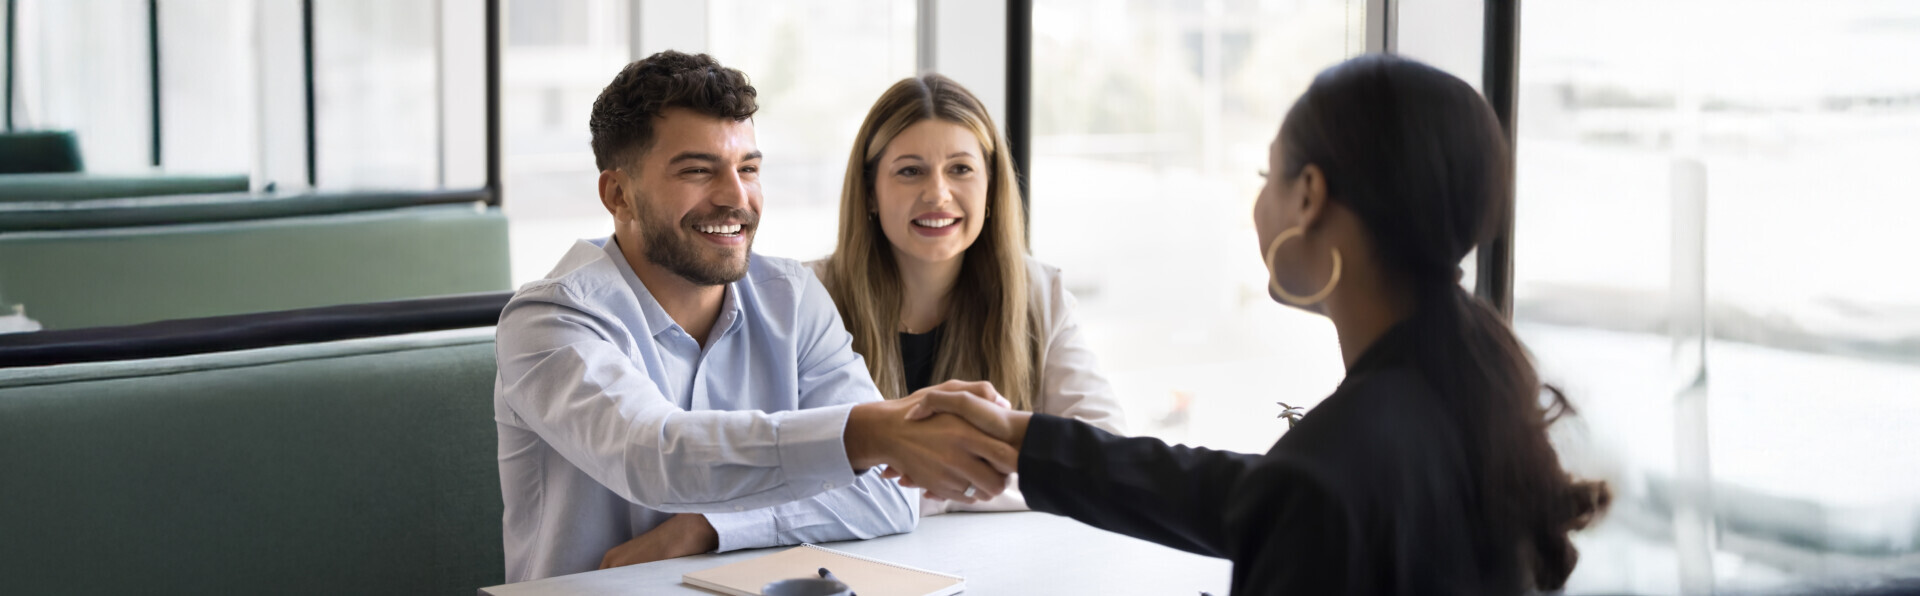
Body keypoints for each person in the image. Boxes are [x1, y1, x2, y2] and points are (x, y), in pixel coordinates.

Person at [896, 54, 1612, 594]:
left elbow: (1293, 496)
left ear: (1309, 197)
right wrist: (1028, 442)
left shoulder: (1336, 466)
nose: (1256, 205)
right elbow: (1251, 494)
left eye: (1268, 177)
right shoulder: (1467, 382)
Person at [492, 51, 1017, 582]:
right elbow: (652, 455)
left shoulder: (792, 297)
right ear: (619, 195)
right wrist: (868, 433)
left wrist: (713, 527)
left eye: (748, 169)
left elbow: (886, 497)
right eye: (698, 171)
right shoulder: (549, 320)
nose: (735, 197)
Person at [813, 74, 1127, 514]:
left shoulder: (1041, 294)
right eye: (910, 171)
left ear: (991, 187)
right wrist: (988, 475)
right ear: (870, 192)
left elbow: (1105, 458)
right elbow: (781, 476)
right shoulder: (809, 300)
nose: (938, 194)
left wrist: (920, 488)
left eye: (960, 169)